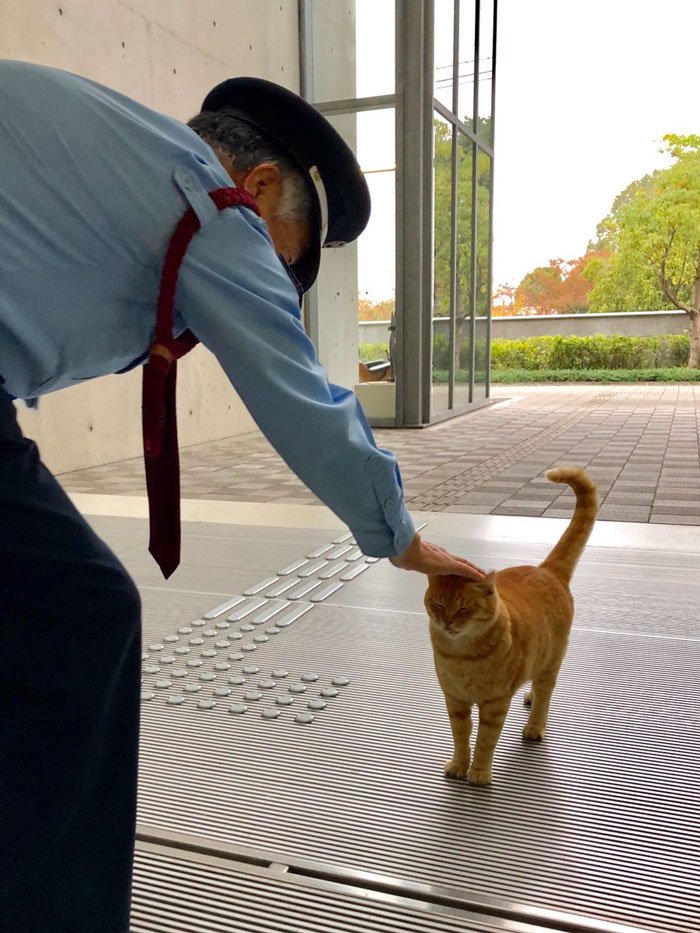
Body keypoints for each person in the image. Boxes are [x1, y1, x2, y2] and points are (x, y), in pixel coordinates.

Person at [0, 60, 484, 932]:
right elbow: (298, 394)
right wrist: (400, 535)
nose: (271, 277)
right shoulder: (215, 205)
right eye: (286, 259)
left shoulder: (121, 144)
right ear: (260, 188)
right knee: (82, 615)